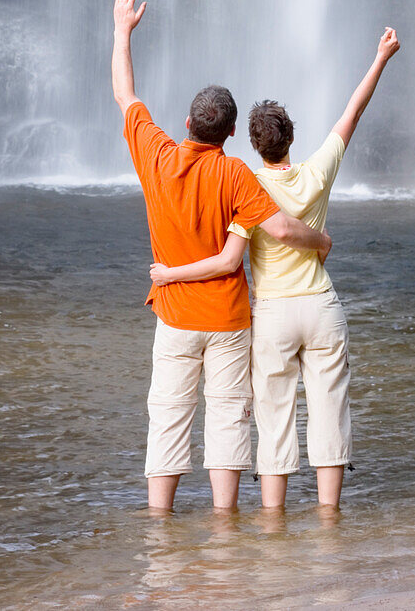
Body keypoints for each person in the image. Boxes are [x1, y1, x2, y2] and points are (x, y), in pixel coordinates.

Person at [150, 27, 400, 512]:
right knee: (329, 411)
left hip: (272, 315)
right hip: (322, 306)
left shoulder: (248, 186)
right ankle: (329, 517)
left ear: (249, 143)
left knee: (274, 417)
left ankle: (272, 520)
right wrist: (381, 58)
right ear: (293, 139)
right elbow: (353, 111)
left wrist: (169, 274)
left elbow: (228, 255)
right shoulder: (318, 172)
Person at [111, 0, 333, 512]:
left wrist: (121, 31)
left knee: (167, 415)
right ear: (232, 132)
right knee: (229, 417)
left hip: (175, 316)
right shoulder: (235, 173)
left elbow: (125, 94)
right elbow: (281, 229)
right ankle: (224, 527)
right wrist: (321, 240)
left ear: (187, 124)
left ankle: (160, 525)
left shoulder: (157, 155)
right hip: (229, 319)